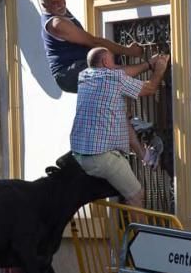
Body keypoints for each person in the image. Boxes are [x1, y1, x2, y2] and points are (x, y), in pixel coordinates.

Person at [70, 47, 169, 207]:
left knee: (122, 116)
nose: (117, 65)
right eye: (114, 61)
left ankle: (146, 156)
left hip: (80, 156)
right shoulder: (114, 79)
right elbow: (150, 89)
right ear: (105, 62)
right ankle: (141, 232)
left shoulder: (85, 76)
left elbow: (121, 72)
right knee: (136, 196)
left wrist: (147, 64)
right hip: (102, 156)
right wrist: (159, 69)